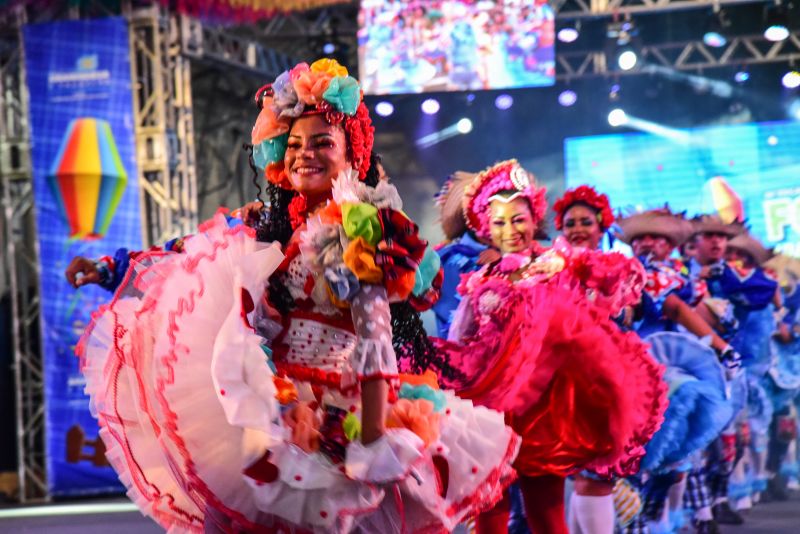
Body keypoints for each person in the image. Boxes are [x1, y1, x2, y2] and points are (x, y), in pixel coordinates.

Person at [75, 59, 520, 533]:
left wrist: (371, 442)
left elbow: (376, 342)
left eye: (323, 142)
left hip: (334, 419)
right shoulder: (271, 221)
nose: (305, 154)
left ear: (354, 155)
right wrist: (111, 267)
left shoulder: (362, 227)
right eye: (294, 144)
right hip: (271, 406)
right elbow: (189, 253)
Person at [438, 160, 667, 534]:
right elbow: (461, 338)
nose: (510, 230)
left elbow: (613, 281)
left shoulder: (557, 262)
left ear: (535, 218)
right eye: (499, 222)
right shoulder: (479, 277)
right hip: (489, 415)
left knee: (547, 516)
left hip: (542, 416)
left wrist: (572, 271)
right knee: (490, 516)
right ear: (484, 228)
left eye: (518, 219)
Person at [615, 209, 735, 534]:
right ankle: (642, 523)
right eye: (641, 238)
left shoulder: (682, 281)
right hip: (625, 369)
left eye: (657, 238)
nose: (648, 244)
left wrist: (720, 336)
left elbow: (692, 314)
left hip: (672, 367)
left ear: (670, 246)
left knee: (679, 458)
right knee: (629, 460)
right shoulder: (619, 274)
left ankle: (666, 520)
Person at [553, 185, 645, 534]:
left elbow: (625, 316)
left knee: (596, 475)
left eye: (585, 222)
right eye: (570, 222)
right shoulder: (549, 267)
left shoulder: (619, 267)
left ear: (601, 226)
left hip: (605, 381)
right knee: (580, 475)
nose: (577, 228)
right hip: (561, 382)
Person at [683, 215, 777, 528]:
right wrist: (699, 277)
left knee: (731, 444)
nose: (716, 242)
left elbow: (764, 292)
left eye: (721, 237)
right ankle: (700, 511)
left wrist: (728, 279)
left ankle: (719, 498)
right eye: (708, 236)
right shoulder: (679, 274)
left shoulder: (733, 276)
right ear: (693, 243)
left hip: (730, 370)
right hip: (690, 371)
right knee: (693, 445)